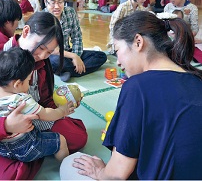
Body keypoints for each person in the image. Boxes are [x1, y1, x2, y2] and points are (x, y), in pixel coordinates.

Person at [60, 11, 202, 180]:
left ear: (138, 42)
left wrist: (99, 172)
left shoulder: (137, 87)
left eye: (117, 50)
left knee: (71, 162)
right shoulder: (197, 79)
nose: (118, 62)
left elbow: (116, 175)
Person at [0, 11, 87, 180]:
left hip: (31, 122)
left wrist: (63, 103)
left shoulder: (40, 61)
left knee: (77, 137)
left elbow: (44, 101)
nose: (42, 56)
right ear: (25, 31)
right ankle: (29, 155)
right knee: (2, 177)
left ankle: (27, 155)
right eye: (41, 47)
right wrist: (5, 126)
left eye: (49, 52)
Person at [0, 47, 75, 162]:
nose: (29, 83)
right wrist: (62, 111)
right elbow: (47, 114)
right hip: (26, 146)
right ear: (17, 84)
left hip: (1, 148)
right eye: (28, 81)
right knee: (60, 140)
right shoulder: (22, 100)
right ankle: (66, 167)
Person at [43, 0, 107, 82]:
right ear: (45, 2)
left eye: (60, 2)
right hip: (52, 56)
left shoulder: (70, 12)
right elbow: (53, 50)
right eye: (53, 2)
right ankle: (70, 70)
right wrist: (74, 56)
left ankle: (66, 71)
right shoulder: (42, 18)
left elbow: (77, 37)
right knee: (54, 61)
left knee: (101, 56)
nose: (57, 6)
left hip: (67, 52)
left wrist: (77, 56)